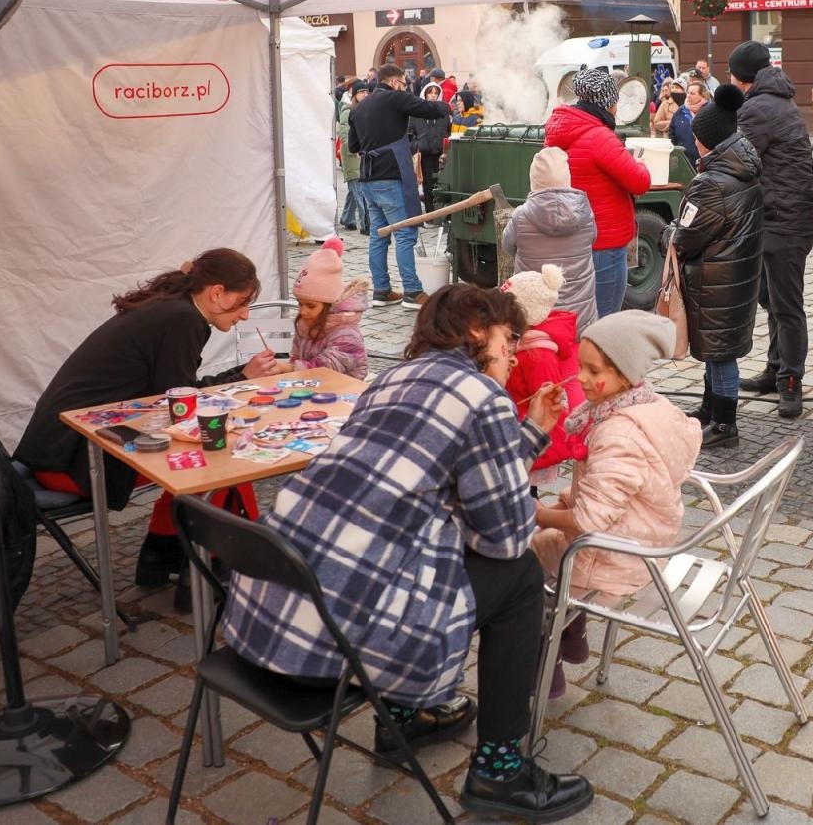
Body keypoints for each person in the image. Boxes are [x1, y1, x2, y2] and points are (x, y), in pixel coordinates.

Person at [220, 284, 594, 821]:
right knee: (518, 576)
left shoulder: (392, 378)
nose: (514, 352)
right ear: (473, 329)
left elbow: (446, 466)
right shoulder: (481, 398)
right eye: (508, 338)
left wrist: (532, 429)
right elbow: (506, 535)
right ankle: (499, 768)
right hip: (329, 653)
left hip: (264, 624)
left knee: (404, 549)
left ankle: (401, 716)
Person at [13, 249, 278, 597]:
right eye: (242, 302)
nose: (245, 314)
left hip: (58, 447)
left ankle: (162, 553)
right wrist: (238, 378)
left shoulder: (173, 307)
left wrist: (239, 376)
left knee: (197, 454)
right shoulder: (182, 319)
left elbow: (170, 398)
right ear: (216, 292)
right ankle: (216, 568)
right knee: (222, 459)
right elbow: (177, 407)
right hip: (76, 458)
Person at [530, 312, 700, 696]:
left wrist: (536, 514)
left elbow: (590, 520)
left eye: (594, 371)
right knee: (557, 526)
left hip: (616, 559)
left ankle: (545, 671)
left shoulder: (617, 433)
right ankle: (573, 634)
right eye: (580, 368)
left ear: (624, 373)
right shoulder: (649, 406)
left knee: (526, 564)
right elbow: (619, 492)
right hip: (648, 536)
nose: (582, 380)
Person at [728, 40, 813, 418]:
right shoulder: (776, 99)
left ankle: (791, 381)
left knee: (786, 305)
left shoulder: (758, 108)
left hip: (783, 220)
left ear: (739, 77)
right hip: (786, 217)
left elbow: (741, 162)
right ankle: (776, 369)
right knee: (772, 299)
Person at [674, 84, 764, 448]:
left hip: (716, 279)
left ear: (707, 140)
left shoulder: (711, 183)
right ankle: (710, 411)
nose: (694, 142)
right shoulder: (742, 169)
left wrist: (668, 234)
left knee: (721, 354)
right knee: (719, 348)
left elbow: (686, 237)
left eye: (697, 136)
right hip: (734, 276)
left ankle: (725, 425)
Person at [544, 67, 652, 317]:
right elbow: (639, 182)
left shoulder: (557, 130)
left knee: (576, 314)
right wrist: (641, 163)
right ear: (607, 103)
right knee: (605, 319)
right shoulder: (600, 137)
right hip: (604, 241)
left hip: (570, 240)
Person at [348, 63, 451, 308]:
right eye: (403, 83)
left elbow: (354, 146)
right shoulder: (395, 98)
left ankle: (381, 290)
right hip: (391, 176)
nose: (404, 87)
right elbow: (429, 109)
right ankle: (412, 291)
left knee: (378, 235)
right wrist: (446, 103)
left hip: (368, 178)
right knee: (405, 233)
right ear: (395, 82)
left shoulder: (359, 109)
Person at [501, 266, 585, 485]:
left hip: (533, 433)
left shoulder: (539, 354)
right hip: (519, 425)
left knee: (523, 488)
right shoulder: (522, 342)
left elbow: (548, 397)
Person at [503, 147, 600, 333]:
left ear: (534, 181)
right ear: (567, 178)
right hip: (580, 318)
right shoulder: (586, 212)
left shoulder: (521, 216)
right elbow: (592, 240)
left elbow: (508, 246)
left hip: (536, 316)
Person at [281, 236, 369, 380]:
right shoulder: (305, 324)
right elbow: (296, 357)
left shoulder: (347, 334)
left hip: (344, 393)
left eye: (310, 306)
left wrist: (288, 368)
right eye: (300, 303)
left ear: (329, 305)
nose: (303, 311)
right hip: (313, 387)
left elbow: (326, 368)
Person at [336, 79, 372, 233]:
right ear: (354, 95)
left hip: (362, 153)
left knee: (354, 189)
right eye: (361, 92)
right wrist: (353, 149)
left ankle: (347, 218)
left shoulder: (367, 109)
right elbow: (344, 132)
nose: (364, 94)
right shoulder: (348, 110)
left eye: (366, 92)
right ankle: (366, 224)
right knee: (358, 189)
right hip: (352, 154)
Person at [411, 83, 452, 215]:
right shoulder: (417, 111)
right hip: (425, 152)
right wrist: (416, 145)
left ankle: (440, 210)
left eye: (435, 93)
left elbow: (447, 128)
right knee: (428, 183)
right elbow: (411, 132)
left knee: (441, 182)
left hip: (440, 152)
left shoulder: (443, 110)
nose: (433, 95)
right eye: (430, 93)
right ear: (425, 94)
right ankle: (430, 212)